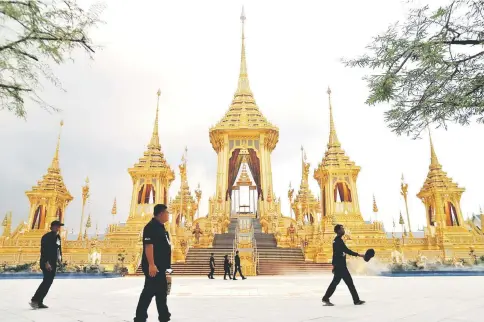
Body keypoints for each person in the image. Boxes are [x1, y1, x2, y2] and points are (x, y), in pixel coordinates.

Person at [134, 204, 172, 322]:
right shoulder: (150, 227)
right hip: (154, 267)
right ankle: (140, 318)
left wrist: (169, 271)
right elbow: (148, 246)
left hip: (162, 267)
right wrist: (151, 264)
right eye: (167, 212)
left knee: (161, 293)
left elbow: (166, 249)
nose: (168, 215)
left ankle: (164, 317)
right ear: (161, 214)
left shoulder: (162, 228)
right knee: (149, 292)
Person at [322, 224, 365, 306]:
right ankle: (356, 300)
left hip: (340, 266)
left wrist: (335, 265)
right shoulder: (337, 241)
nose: (343, 230)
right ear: (338, 231)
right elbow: (343, 252)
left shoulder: (338, 240)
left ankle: (326, 298)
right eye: (342, 229)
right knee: (348, 283)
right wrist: (359, 255)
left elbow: (343, 251)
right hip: (340, 267)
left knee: (336, 283)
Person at [30, 220, 64, 309]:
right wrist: (46, 263)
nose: (58, 228)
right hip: (46, 262)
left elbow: (58, 250)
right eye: (56, 226)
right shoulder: (46, 237)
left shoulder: (57, 237)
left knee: (48, 282)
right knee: (46, 281)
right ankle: (35, 300)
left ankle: (39, 301)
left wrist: (60, 260)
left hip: (53, 262)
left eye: (59, 226)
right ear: (52, 227)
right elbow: (44, 251)